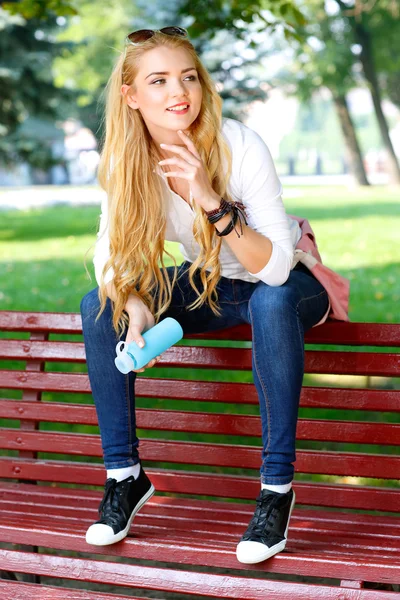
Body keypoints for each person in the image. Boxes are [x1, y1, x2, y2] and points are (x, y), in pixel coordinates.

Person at [80, 26, 346, 565]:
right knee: (98, 303)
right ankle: (124, 477)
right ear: (131, 96)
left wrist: (207, 197)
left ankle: (276, 490)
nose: (179, 91)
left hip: (289, 283)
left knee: (271, 301)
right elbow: (109, 257)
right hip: (212, 284)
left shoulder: (238, 144)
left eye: (188, 77)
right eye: (159, 81)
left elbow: (273, 268)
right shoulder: (128, 162)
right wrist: (132, 300)